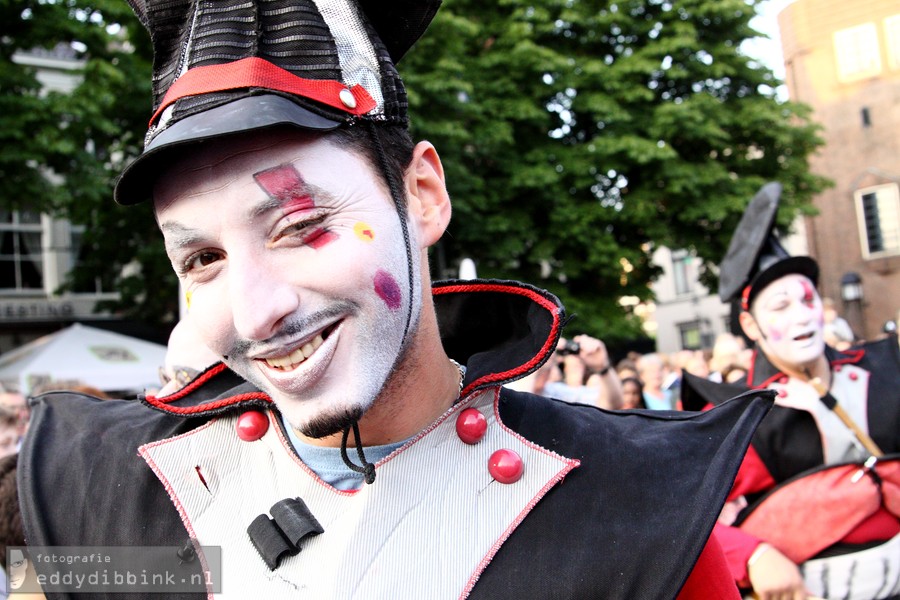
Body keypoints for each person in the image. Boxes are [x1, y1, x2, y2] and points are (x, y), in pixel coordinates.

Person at [17, 1, 774, 598]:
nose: (255, 316)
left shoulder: (628, 505)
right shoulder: (112, 492)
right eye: (203, 258)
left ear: (421, 195)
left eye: (299, 226)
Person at [682, 182, 900, 600]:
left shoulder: (887, 367)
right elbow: (683, 511)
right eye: (781, 307)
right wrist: (752, 555)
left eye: (807, 299)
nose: (802, 316)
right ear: (751, 327)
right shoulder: (737, 415)